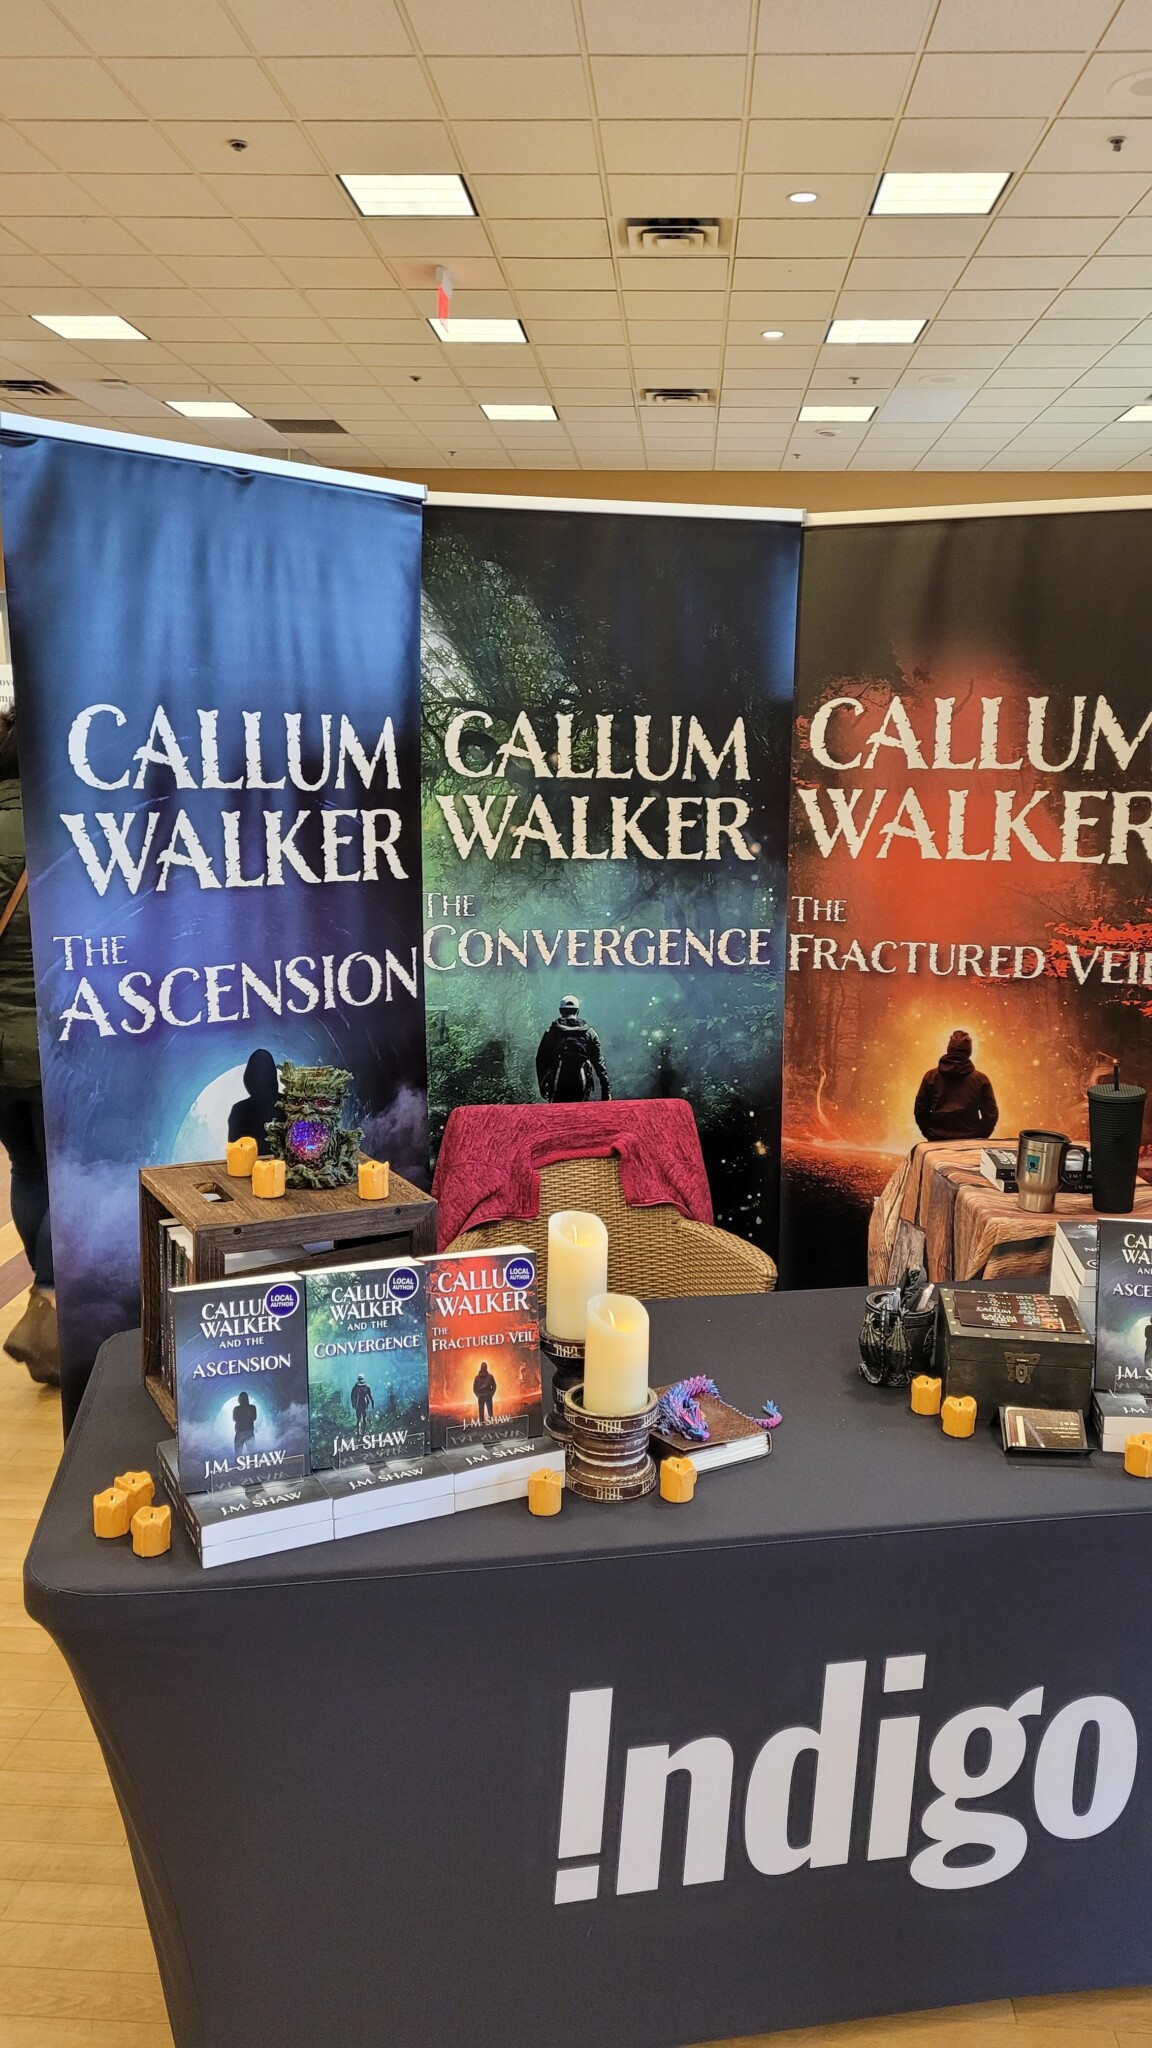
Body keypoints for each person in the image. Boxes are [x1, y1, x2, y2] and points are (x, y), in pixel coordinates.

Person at [0, 711, 57, 1387]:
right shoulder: (56, 830)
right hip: (49, 1044)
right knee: (64, 1178)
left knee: (27, 1169)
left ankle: (47, 1312)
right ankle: (47, 1305)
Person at [914, 1030, 998, 1142]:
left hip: (937, 1138)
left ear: (949, 1049)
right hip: (970, 1139)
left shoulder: (931, 1076)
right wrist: (979, 1136)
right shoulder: (980, 1079)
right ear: (969, 1051)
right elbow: (990, 1115)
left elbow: (920, 1111)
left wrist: (931, 1132)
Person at [535, 996, 611, 1104]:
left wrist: (542, 1085)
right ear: (577, 1011)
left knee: (558, 1112)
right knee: (578, 1112)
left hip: (558, 1083)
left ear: (560, 1011)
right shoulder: (589, 1033)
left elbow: (541, 1060)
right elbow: (599, 1064)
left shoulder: (552, 1032)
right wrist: (605, 1090)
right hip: (582, 1083)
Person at [228, 1048, 279, 1155]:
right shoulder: (290, 1104)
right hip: (284, 1164)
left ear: (248, 1078)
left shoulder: (239, 1109)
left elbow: (234, 1151)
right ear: (273, 1076)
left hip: (250, 1164)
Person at [473, 1359, 497, 1425]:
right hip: (488, 1395)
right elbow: (494, 1386)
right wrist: (491, 1393)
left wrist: (478, 1394)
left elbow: (474, 1388)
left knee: (481, 1411)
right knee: (490, 1411)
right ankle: (490, 1422)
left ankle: (482, 1423)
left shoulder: (477, 1377)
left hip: (481, 1396)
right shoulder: (490, 1377)